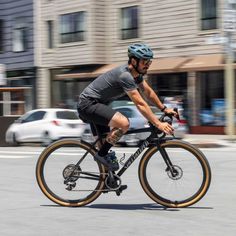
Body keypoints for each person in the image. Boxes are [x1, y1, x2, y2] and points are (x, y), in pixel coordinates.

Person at [77, 43, 177, 171]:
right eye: (144, 61)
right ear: (134, 61)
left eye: (149, 61)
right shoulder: (125, 76)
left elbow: (149, 92)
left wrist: (164, 108)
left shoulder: (136, 76)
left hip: (98, 105)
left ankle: (106, 183)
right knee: (124, 123)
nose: (147, 64)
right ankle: (102, 155)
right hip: (88, 104)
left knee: (105, 156)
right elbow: (140, 103)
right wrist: (158, 124)